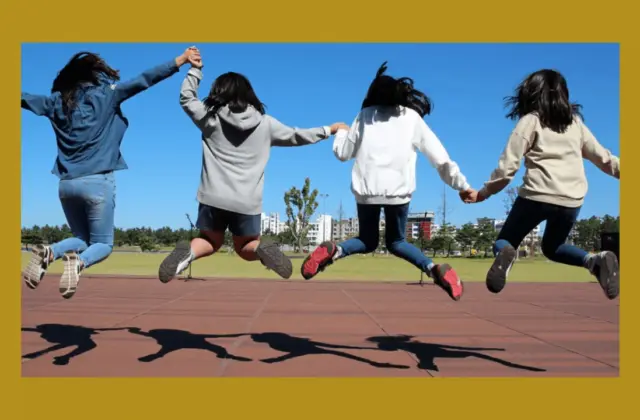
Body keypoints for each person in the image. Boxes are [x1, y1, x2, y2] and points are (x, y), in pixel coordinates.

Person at [21, 47, 199, 299]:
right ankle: (78, 264)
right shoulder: (106, 95)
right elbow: (144, 79)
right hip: (97, 182)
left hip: (66, 184)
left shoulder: (55, 102)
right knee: (103, 244)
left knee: (82, 238)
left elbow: (23, 98)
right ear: (96, 75)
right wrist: (180, 60)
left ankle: (49, 252)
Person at [158, 49, 347, 282]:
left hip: (212, 197)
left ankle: (188, 253)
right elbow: (298, 135)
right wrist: (329, 130)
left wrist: (195, 70)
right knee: (245, 246)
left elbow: (187, 98)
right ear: (250, 95)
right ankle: (261, 250)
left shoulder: (211, 118)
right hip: (247, 202)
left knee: (209, 240)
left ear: (219, 93)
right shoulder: (266, 124)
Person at [300, 62, 472, 301]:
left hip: (367, 192)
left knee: (367, 240)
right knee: (397, 241)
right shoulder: (411, 118)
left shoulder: (364, 117)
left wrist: (340, 131)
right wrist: (462, 186)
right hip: (398, 194)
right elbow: (440, 158)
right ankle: (434, 269)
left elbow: (342, 154)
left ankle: (334, 251)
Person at [460, 69, 620, 299]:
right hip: (571, 201)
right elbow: (605, 160)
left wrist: (483, 194)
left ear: (530, 94)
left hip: (536, 196)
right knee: (553, 247)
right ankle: (595, 260)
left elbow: (507, 169)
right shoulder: (576, 125)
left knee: (506, 241)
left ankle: (507, 253)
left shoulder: (530, 121)